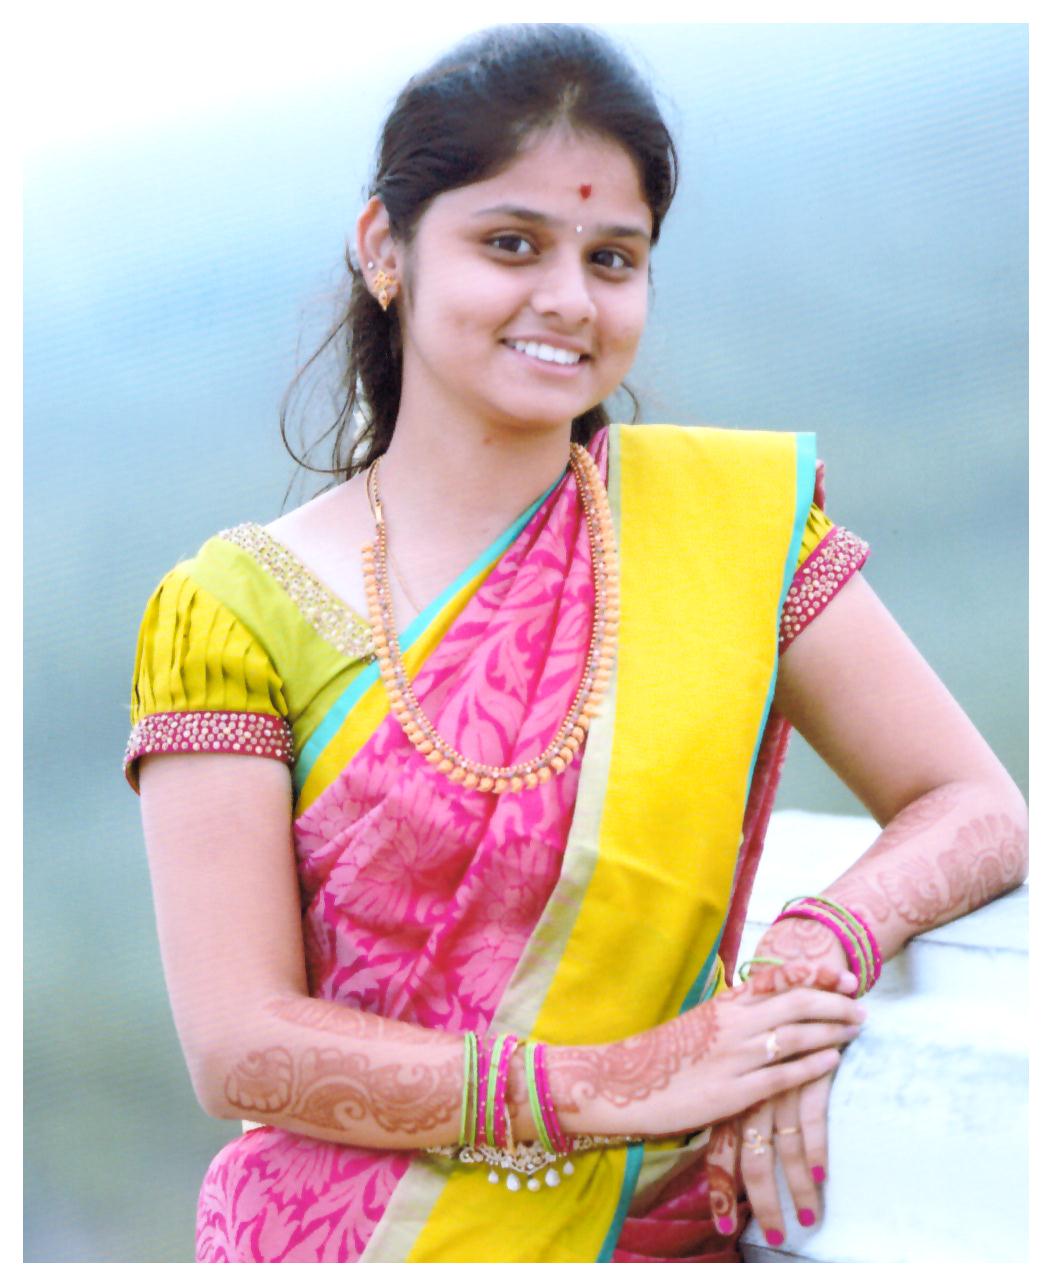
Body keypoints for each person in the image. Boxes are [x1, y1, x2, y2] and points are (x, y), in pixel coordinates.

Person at [124, 24, 1027, 1264]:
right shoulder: (229, 609)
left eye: (613, 258)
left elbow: (972, 804)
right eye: (510, 243)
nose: (566, 299)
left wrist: (805, 956)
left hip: (651, 1237)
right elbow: (238, 1044)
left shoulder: (724, 530)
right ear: (384, 247)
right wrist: (615, 1081)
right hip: (351, 1246)